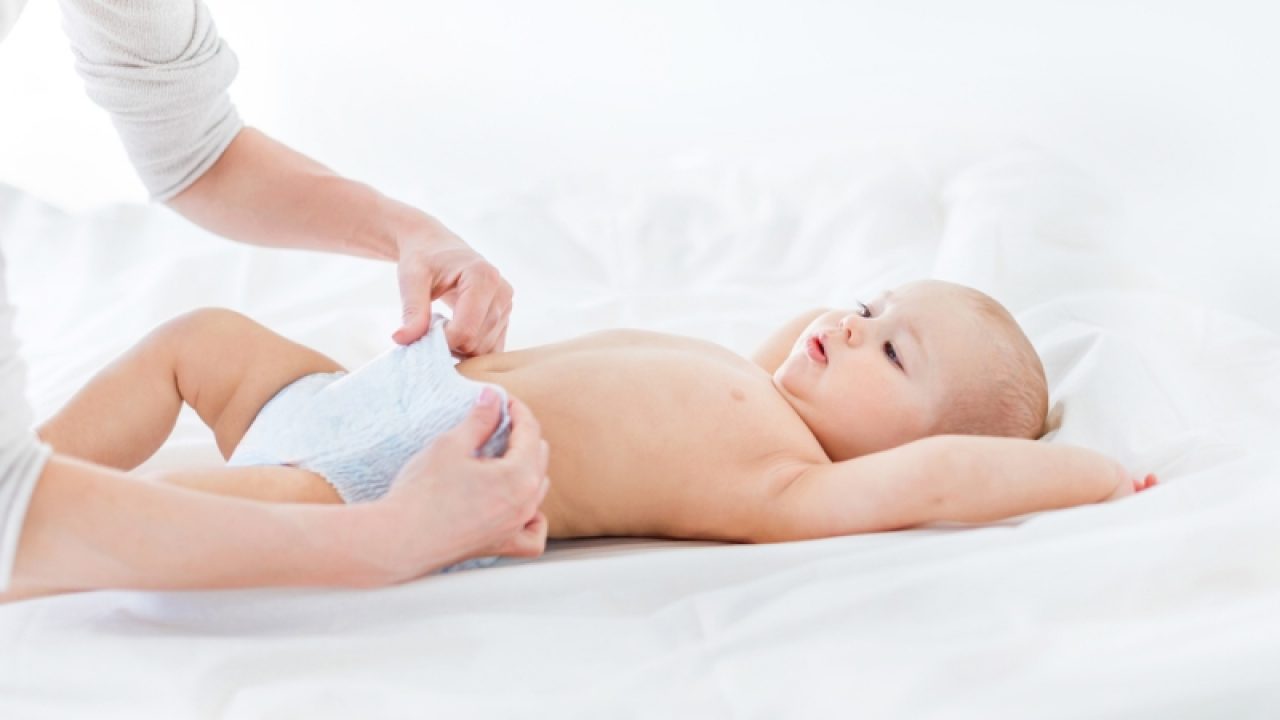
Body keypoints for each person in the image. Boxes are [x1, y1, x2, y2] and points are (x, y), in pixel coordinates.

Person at [30, 279, 1156, 596]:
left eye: (895, 354)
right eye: (870, 304)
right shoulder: (745, 374)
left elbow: (949, 475)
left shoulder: (783, 484)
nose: (852, 326)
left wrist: (1092, 474)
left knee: (188, 519)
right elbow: (813, 336)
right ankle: (26, 463)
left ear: (893, 453)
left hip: (379, 481)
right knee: (202, 339)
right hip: (355, 393)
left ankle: (32, 527)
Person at [0, 0, 549, 600]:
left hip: (326, 404)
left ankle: (46, 468)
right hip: (362, 479)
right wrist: (391, 536)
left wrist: (410, 234)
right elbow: (12, 520)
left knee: (199, 341)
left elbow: (197, 151)